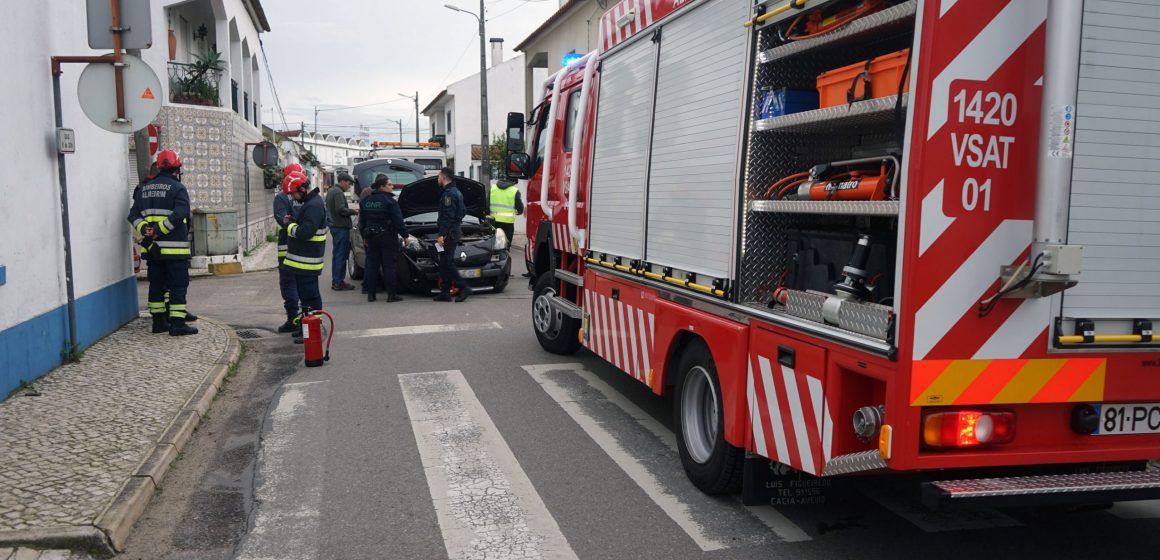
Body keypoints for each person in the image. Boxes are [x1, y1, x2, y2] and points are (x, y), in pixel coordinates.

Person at [127, 149, 197, 336]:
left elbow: (132, 215)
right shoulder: (178, 188)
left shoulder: (144, 188)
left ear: (158, 167)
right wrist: (159, 230)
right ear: (177, 169)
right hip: (175, 250)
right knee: (177, 285)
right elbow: (180, 213)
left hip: (153, 250)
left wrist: (145, 229)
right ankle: (177, 324)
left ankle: (158, 323)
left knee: (157, 284)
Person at [281, 171, 327, 343]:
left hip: (307, 262)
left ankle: (313, 330)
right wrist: (294, 219)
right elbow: (307, 224)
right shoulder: (311, 203)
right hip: (304, 262)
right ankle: (306, 327)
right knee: (306, 298)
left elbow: (306, 232)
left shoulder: (313, 205)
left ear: (301, 188)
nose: (293, 197)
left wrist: (290, 226)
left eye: (293, 193)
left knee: (310, 297)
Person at [359, 176, 408, 302]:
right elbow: (398, 221)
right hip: (387, 237)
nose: (392, 187)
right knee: (389, 266)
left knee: (372, 266)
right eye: (390, 184)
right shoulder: (390, 201)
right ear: (382, 186)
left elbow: (362, 221)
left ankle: (371, 294)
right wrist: (405, 235)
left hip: (371, 236)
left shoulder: (366, 200)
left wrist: (364, 236)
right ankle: (391, 295)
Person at [273, 162, 303, 333]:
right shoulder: (308, 196)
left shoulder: (282, 197)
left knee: (288, 284)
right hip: (304, 248)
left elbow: (281, 219)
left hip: (287, 248)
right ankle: (304, 320)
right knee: (302, 284)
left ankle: (293, 319)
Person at [435, 167, 471, 303]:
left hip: (448, 233)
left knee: (447, 262)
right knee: (444, 263)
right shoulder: (457, 192)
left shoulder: (448, 194)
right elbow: (463, 211)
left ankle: (463, 287)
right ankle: (445, 292)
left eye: (438, 176)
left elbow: (447, 217)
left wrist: (441, 235)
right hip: (453, 231)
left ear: (444, 177)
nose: (437, 179)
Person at [325, 172, 359, 291]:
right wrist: (353, 211)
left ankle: (336, 280)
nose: (349, 186)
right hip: (340, 227)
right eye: (349, 183)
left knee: (337, 255)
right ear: (343, 181)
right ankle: (339, 282)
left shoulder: (331, 190)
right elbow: (340, 209)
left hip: (335, 226)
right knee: (341, 255)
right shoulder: (338, 192)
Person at [489, 178, 524, 250]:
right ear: (513, 182)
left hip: (494, 221)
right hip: (508, 222)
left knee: (494, 241)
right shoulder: (514, 190)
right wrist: (520, 211)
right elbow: (519, 206)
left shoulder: (493, 188)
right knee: (507, 243)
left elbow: (486, 204)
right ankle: (505, 255)